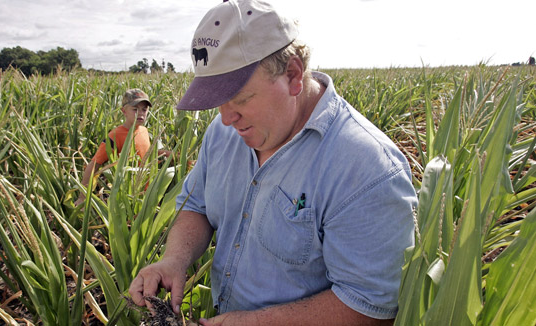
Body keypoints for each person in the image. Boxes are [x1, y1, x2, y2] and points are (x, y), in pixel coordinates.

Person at [128, 1, 417, 325]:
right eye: (219, 101)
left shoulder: (366, 168)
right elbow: (197, 205)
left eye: (240, 98)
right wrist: (174, 260)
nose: (225, 118)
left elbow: (370, 308)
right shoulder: (224, 134)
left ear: (293, 75)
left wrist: (255, 322)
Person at [75, 88, 169, 206]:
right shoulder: (115, 135)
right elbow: (94, 164)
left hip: (148, 194)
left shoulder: (144, 130)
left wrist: (171, 155)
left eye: (144, 110)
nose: (141, 113)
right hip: (128, 199)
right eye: (135, 109)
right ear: (124, 111)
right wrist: (82, 197)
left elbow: (146, 153)